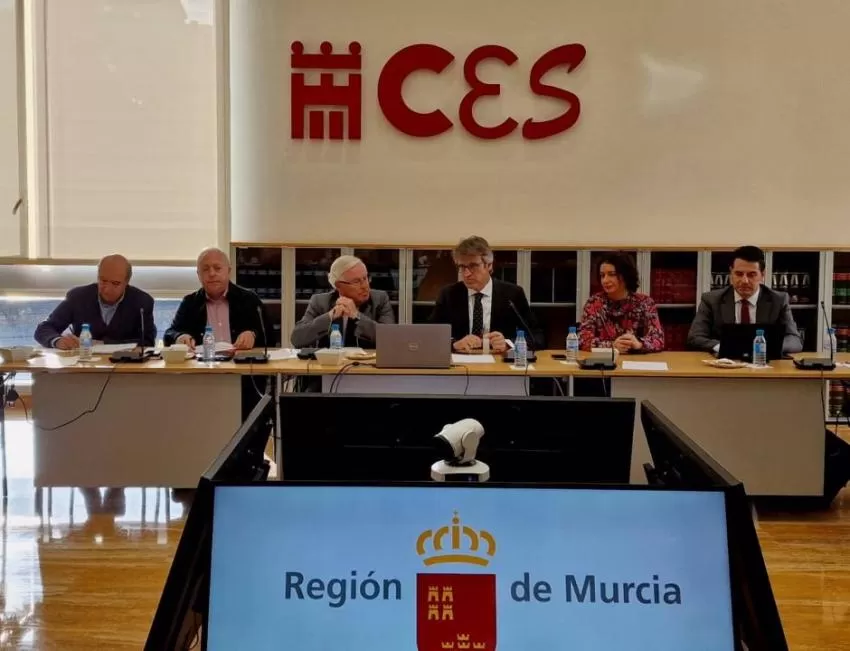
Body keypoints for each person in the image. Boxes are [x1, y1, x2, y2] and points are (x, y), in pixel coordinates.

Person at [430, 235, 542, 353]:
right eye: (462, 267)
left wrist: (508, 343)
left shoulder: (512, 294)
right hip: (461, 360)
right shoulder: (449, 294)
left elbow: (537, 337)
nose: (466, 274)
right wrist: (454, 344)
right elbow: (430, 336)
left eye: (473, 266)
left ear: (489, 265)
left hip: (498, 360)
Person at [687, 245, 803, 354]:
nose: (744, 281)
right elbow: (695, 338)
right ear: (731, 273)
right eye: (739, 274)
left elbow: (794, 340)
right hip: (724, 362)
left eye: (751, 275)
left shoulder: (778, 300)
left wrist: (764, 347)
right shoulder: (711, 300)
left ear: (762, 275)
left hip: (763, 361)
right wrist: (723, 347)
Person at [34, 254, 155, 349]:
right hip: (83, 366)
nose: (107, 289)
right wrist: (57, 341)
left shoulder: (142, 302)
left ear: (127, 282)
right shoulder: (78, 297)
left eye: (115, 283)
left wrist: (102, 344)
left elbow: (148, 341)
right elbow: (44, 328)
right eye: (103, 281)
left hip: (125, 367)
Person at [164, 247, 269, 350]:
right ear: (199, 275)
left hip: (240, 360)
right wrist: (179, 337)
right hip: (203, 360)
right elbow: (169, 334)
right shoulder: (190, 302)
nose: (212, 274)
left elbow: (270, 336)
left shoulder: (249, 299)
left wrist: (253, 334)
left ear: (229, 271)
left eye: (217, 268)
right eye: (205, 269)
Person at [290, 255, 396, 348]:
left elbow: (391, 338)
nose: (365, 286)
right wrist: (330, 316)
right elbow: (297, 339)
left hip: (368, 364)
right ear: (338, 285)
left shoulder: (379, 299)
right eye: (356, 281)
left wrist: (357, 316)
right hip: (330, 364)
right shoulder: (320, 301)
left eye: (365, 278)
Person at [579, 252, 665, 353]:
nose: (605, 280)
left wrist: (639, 344)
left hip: (636, 360)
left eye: (612, 274)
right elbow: (583, 340)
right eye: (602, 275)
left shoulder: (645, 303)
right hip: (604, 360)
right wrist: (611, 346)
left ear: (626, 275)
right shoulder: (594, 303)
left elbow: (658, 339)